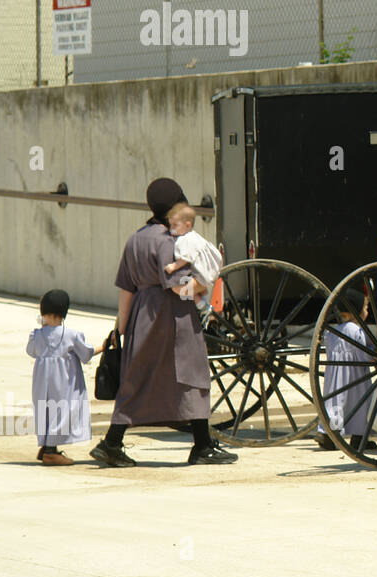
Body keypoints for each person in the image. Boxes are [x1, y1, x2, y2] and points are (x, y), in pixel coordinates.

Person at [91, 177, 237, 467]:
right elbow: (175, 286)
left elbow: (126, 288)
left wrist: (122, 328)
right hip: (172, 314)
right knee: (193, 374)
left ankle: (113, 442)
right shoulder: (169, 241)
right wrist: (203, 283)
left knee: (138, 377)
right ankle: (201, 446)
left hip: (142, 315)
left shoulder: (136, 238)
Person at [27, 289, 94, 466]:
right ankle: (50, 451)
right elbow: (86, 354)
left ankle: (46, 445)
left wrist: (42, 329)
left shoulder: (37, 334)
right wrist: (103, 347)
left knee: (45, 411)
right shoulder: (71, 334)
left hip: (41, 383)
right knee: (64, 411)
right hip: (65, 382)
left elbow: (31, 351)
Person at [312, 288, 377, 453]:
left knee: (335, 403)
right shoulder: (355, 330)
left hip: (335, 375)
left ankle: (329, 432)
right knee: (360, 404)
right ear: (356, 310)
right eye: (365, 308)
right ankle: (357, 436)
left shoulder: (335, 330)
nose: (367, 311)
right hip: (355, 376)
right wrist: (375, 356)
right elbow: (363, 355)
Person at [163, 202, 222, 317]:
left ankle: (201, 305)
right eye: (171, 225)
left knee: (179, 288)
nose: (172, 229)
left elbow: (186, 258)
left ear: (188, 225)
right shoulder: (194, 236)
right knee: (189, 281)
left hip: (202, 275)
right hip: (208, 271)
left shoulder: (185, 239)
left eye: (175, 225)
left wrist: (173, 266)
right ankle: (204, 299)